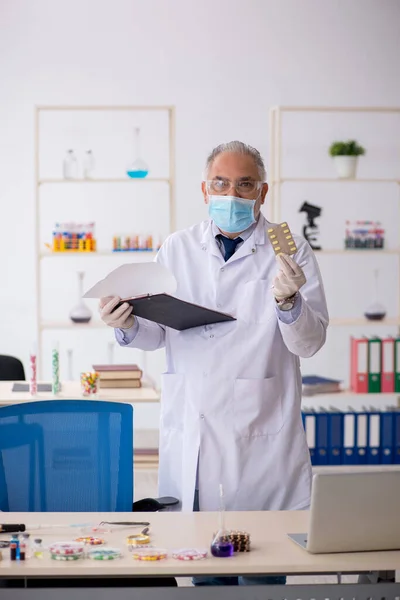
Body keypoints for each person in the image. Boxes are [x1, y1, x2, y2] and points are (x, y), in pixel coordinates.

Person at [99, 141, 329, 586]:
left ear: (262, 193)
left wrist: (288, 301)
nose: (231, 195)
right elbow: (156, 334)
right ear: (205, 190)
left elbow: (310, 343)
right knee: (204, 572)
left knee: (264, 572)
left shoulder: (290, 249)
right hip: (196, 434)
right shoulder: (177, 248)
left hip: (261, 441)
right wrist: (125, 325)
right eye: (221, 184)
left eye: (245, 185)